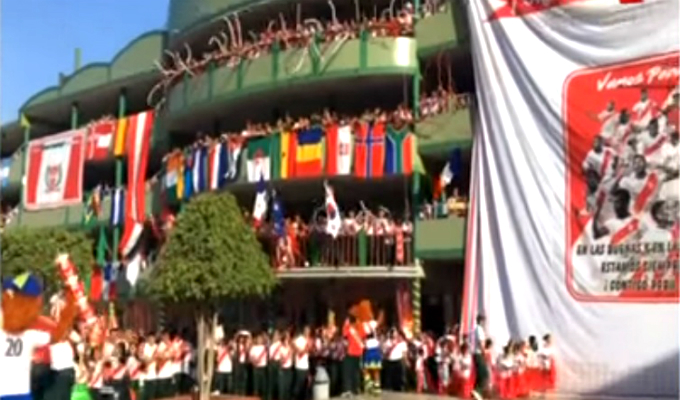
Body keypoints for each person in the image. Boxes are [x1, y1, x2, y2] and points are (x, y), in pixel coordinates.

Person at [472, 314, 489, 399]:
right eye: (483, 321)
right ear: (481, 321)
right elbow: (481, 342)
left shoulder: (475, 329)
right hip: (478, 353)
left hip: (476, 353)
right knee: (484, 373)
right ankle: (477, 390)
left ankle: (476, 391)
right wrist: (484, 352)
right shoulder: (479, 329)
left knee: (480, 373)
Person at [292, 327, 310, 400]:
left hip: (306, 366)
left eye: (308, 331)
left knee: (305, 387)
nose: (307, 333)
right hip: (299, 366)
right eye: (306, 331)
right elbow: (295, 349)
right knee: (298, 387)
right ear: (303, 331)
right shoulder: (299, 340)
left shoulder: (308, 340)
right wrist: (303, 351)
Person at [250, 333, 269, 399]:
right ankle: (255, 397)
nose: (259, 340)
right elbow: (251, 357)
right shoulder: (253, 347)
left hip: (263, 367)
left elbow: (269, 342)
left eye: (260, 339)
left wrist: (265, 336)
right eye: (258, 339)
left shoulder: (265, 347)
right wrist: (254, 361)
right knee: (256, 383)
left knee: (263, 383)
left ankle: (263, 397)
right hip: (256, 367)